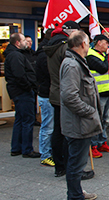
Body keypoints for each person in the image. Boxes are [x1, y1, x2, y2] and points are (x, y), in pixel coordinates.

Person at [60, 31, 102, 200]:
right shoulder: (71, 64)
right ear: (83, 44)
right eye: (88, 42)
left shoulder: (76, 61)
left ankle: (75, 192)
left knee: (77, 161)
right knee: (76, 163)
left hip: (81, 122)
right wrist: (90, 112)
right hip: (78, 122)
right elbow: (69, 96)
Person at [44, 21, 80, 177]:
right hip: (65, 93)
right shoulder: (64, 47)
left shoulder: (53, 46)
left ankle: (60, 165)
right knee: (66, 132)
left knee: (58, 131)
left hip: (56, 92)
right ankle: (67, 166)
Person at [4, 33, 39, 158]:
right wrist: (29, 87)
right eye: (24, 40)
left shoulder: (14, 54)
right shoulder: (15, 55)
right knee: (27, 121)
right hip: (22, 92)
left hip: (19, 91)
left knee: (20, 120)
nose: (27, 42)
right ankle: (27, 149)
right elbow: (20, 75)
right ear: (18, 43)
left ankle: (17, 147)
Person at [86, 34, 109, 158]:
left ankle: (102, 141)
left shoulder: (102, 55)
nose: (108, 45)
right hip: (97, 93)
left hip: (107, 91)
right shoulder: (91, 55)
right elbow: (103, 68)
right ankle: (93, 145)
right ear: (98, 42)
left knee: (105, 119)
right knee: (96, 120)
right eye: (106, 42)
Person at [35, 29, 55, 166]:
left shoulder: (45, 53)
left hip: (48, 93)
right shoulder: (44, 55)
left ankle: (49, 152)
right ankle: (45, 154)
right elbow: (48, 75)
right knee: (47, 126)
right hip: (46, 94)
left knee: (50, 126)